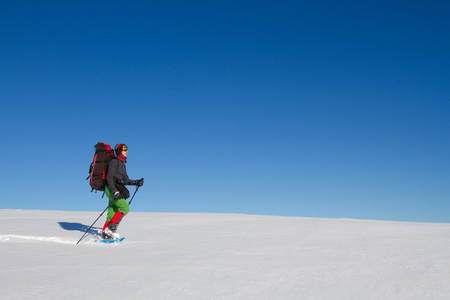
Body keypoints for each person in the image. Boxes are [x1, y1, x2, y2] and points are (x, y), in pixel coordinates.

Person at [102, 143, 144, 239]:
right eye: (124, 149)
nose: (127, 151)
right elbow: (109, 177)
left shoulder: (122, 164)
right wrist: (114, 191)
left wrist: (136, 182)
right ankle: (111, 229)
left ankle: (105, 232)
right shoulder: (114, 162)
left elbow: (126, 180)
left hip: (114, 189)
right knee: (125, 208)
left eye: (127, 149)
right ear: (119, 151)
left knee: (113, 210)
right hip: (111, 188)